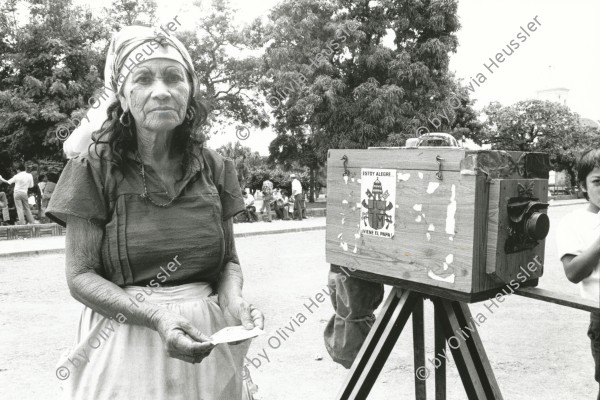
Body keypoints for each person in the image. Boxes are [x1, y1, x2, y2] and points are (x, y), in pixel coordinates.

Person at [45, 25, 264, 400]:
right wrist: (157, 317)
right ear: (124, 98)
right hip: (124, 342)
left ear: (189, 93)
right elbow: (80, 276)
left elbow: (228, 261)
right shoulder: (93, 169)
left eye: (173, 78)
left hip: (206, 344)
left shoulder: (215, 167)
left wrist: (234, 301)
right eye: (143, 79)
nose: (161, 91)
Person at [556, 147, 600, 400]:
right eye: (597, 181)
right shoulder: (574, 221)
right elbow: (573, 272)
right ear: (583, 186)